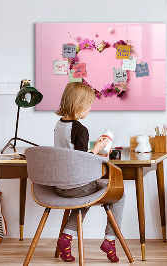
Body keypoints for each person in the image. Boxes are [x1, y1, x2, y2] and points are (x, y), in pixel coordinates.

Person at [54, 82, 125, 263]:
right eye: (89, 106)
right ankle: (110, 240)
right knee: (119, 194)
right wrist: (99, 149)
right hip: (77, 186)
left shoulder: (59, 125)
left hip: (60, 186)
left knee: (84, 198)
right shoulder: (80, 129)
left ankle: (67, 238)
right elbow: (82, 160)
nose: (89, 110)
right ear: (80, 105)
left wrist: (95, 150)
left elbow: (71, 154)